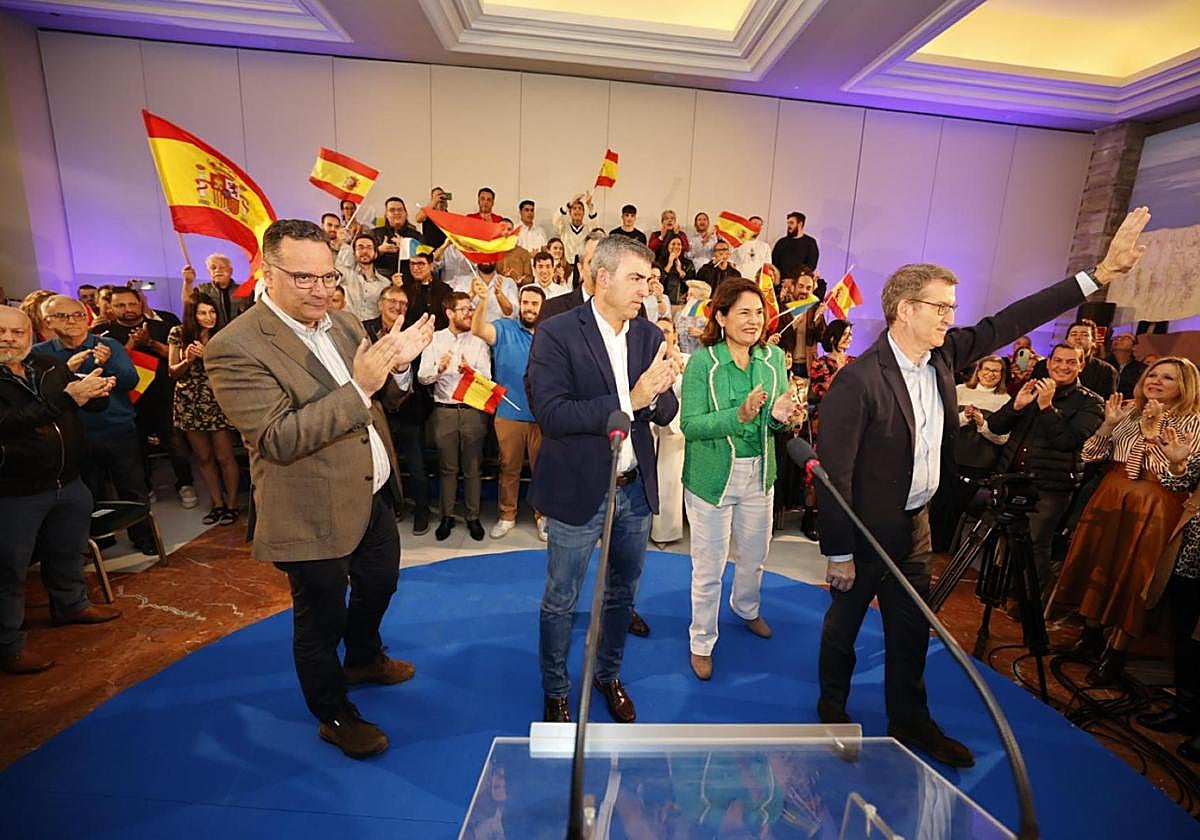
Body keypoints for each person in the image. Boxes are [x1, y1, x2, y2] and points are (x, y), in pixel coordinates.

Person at [814, 206, 1152, 769]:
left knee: (910, 628)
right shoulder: (858, 380)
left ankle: (910, 718)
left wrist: (1099, 274)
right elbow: (834, 474)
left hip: (915, 524)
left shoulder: (944, 355)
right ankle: (832, 709)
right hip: (865, 531)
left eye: (952, 307)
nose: (951, 316)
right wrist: (840, 551)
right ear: (905, 309)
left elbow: (1015, 318)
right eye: (941, 307)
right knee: (844, 626)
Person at [206, 218, 435, 759]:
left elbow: (382, 401)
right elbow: (278, 438)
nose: (320, 289)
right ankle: (333, 712)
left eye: (328, 276)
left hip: (372, 494)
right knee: (319, 619)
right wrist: (363, 386)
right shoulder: (234, 346)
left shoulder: (344, 322)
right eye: (304, 277)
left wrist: (399, 367)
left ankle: (362, 657)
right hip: (309, 508)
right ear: (267, 270)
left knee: (380, 585)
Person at [527, 234, 680, 723]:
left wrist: (658, 395)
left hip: (633, 489)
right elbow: (551, 413)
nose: (646, 289)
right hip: (578, 489)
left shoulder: (649, 336)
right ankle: (556, 690)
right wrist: (630, 400)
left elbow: (666, 408)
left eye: (649, 280)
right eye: (637, 279)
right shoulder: (556, 333)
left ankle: (608, 675)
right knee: (561, 597)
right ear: (603, 278)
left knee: (622, 594)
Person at [680, 277, 804, 680]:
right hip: (712, 479)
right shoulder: (703, 362)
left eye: (759, 312)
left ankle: (746, 608)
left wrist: (785, 417)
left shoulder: (772, 360)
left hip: (759, 477)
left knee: (755, 555)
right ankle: (701, 641)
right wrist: (740, 415)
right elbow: (691, 425)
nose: (754, 320)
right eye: (744, 312)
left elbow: (776, 423)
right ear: (721, 316)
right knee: (709, 566)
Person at [1054, 357, 1200, 685]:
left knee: (1136, 574)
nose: (1157, 381)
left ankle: (1116, 652)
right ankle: (1090, 636)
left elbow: (1181, 474)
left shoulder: (1192, 421)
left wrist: (1151, 438)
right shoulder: (1129, 409)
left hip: (1157, 500)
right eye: (1153, 374)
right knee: (1101, 563)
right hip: (1112, 491)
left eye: (1168, 378)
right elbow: (1090, 455)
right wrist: (1108, 425)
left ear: (1185, 387)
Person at [1, 306, 121, 675]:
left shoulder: (48, 366)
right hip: (14, 490)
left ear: (31, 333)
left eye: (17, 332)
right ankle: (8, 645)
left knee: (68, 552)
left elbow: (70, 410)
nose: (8, 339)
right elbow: (10, 423)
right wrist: (69, 399)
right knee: (8, 570)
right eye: (0, 331)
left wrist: (95, 395)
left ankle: (71, 606)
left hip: (68, 482)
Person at [35, 296, 158, 555]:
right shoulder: (40, 353)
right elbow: (39, 394)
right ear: (47, 321)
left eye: (78, 315)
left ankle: (144, 536)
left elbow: (131, 380)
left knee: (132, 486)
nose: (72, 321)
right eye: (63, 316)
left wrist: (107, 363)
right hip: (74, 434)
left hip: (117, 428)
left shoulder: (108, 344)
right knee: (88, 491)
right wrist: (65, 371)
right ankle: (99, 540)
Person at [985, 345, 1103, 602]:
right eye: (1058, 360)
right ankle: (1001, 593)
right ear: (1048, 364)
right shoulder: (1031, 388)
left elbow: (1068, 441)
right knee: (1003, 539)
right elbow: (995, 425)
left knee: (1035, 544)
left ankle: (1031, 604)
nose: (1063, 366)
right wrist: (1015, 407)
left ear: (1081, 365)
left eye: (1071, 362)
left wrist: (1047, 407)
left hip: (1050, 487)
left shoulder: (1091, 402)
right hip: (1011, 479)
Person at [95, 286, 197, 509]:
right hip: (128, 400)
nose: (128, 309)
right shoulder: (104, 334)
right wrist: (132, 344)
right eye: (120, 305)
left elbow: (177, 359)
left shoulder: (163, 325)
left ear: (140, 303)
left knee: (176, 442)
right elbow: (109, 365)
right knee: (136, 447)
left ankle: (185, 484)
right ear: (111, 308)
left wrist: (149, 342)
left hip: (164, 396)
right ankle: (147, 486)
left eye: (132, 304)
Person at [1138, 431, 1200, 763]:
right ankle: (1184, 708)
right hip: (1190, 552)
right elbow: (1179, 484)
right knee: (1185, 633)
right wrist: (1177, 464)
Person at [471, 280, 546, 540]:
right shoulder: (504, 328)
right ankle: (507, 515)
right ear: (519, 304)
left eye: (534, 304)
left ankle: (543, 516)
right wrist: (482, 300)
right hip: (509, 413)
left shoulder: (551, 335)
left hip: (543, 416)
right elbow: (478, 328)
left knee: (543, 469)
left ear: (542, 307)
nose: (529, 308)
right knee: (509, 468)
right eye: (525, 303)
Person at [418, 292, 492, 542]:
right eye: (463, 310)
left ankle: (473, 517)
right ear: (449, 313)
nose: (469, 314)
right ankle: (447, 517)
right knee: (447, 468)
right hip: (444, 411)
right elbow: (422, 377)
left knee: (473, 468)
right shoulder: (435, 340)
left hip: (472, 412)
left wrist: (470, 372)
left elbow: (488, 380)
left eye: (470, 309)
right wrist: (439, 368)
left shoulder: (478, 341)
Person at [363, 285, 432, 536]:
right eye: (392, 301)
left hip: (409, 409)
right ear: (380, 303)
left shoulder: (413, 330)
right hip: (376, 410)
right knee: (381, 464)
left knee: (417, 465)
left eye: (403, 303)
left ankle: (422, 512)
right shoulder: (364, 329)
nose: (397, 307)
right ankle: (390, 510)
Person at [167, 293, 241, 525]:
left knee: (224, 456)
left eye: (212, 312)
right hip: (189, 401)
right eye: (202, 313)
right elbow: (172, 371)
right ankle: (217, 503)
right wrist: (188, 359)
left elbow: (232, 369)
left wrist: (207, 355)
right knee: (204, 456)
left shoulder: (224, 334)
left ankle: (232, 504)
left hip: (217, 399)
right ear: (193, 314)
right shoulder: (179, 334)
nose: (209, 317)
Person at [651, 316, 686, 546]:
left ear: (675, 334)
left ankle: (665, 532)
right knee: (647, 478)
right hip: (649, 425)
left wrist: (679, 369)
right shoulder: (647, 359)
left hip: (675, 428)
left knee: (670, 481)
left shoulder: (687, 360)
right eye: (659, 331)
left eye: (667, 330)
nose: (664, 335)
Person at [1031, 319, 1116, 399]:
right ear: (1066, 339)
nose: (1078, 337)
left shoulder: (1106, 371)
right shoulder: (1042, 365)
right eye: (1073, 334)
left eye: (1084, 335)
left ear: (1094, 341)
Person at [181, 254, 251, 326]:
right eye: (213, 268)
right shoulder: (203, 289)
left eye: (222, 267)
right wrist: (188, 282)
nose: (217, 270)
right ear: (209, 272)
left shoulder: (245, 291)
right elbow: (188, 304)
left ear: (230, 271)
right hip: (214, 335)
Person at [373, 196, 422, 280]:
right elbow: (363, 258)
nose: (396, 213)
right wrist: (380, 250)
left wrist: (406, 246)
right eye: (392, 210)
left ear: (406, 214)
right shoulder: (375, 233)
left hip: (409, 277)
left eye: (400, 210)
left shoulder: (416, 235)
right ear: (386, 215)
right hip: (381, 278)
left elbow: (423, 258)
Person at [771, 212, 820, 281]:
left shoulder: (810, 243)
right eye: (788, 223)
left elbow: (811, 265)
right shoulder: (781, 242)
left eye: (791, 223)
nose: (788, 226)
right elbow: (774, 262)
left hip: (799, 283)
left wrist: (795, 280)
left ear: (800, 224)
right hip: (781, 283)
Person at [554, 192, 597, 265]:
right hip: (566, 266)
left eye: (580, 209)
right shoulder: (563, 227)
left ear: (583, 213)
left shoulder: (588, 229)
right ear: (570, 213)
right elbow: (556, 220)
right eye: (574, 208)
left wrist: (589, 205)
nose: (577, 211)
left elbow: (595, 227)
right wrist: (569, 204)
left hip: (583, 267)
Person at [657, 236, 695, 305]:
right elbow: (657, 282)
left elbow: (692, 284)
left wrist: (680, 272)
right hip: (663, 302)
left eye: (679, 244)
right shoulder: (659, 263)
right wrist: (669, 265)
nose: (676, 247)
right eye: (673, 244)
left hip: (682, 303)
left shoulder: (688, 264)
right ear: (667, 246)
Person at [1108, 332, 1147, 399]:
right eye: (1116, 338)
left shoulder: (1142, 369)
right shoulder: (1102, 365)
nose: (1119, 339)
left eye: (1126, 338)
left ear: (1134, 347)